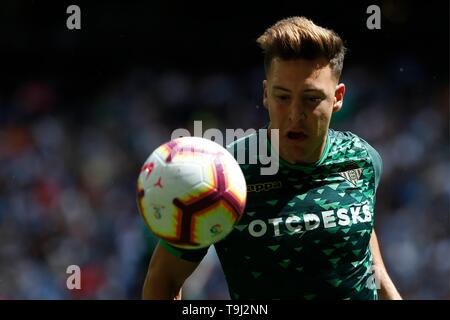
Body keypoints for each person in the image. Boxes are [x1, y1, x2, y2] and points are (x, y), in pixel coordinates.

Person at [142, 16, 402, 300]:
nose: (295, 114)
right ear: (266, 94)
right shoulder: (223, 174)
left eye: (311, 99)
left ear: (338, 97)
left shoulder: (362, 159)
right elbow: (163, 279)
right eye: (282, 97)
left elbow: (368, 258)